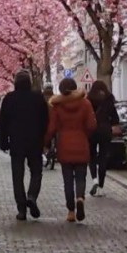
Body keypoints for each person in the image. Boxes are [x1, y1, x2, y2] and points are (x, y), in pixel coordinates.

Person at [0, 70, 49, 221]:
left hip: (16, 142)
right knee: (36, 172)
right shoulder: (38, 98)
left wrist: (3, 142)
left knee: (17, 175)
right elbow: (45, 120)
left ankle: (21, 208)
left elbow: (3, 122)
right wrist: (44, 139)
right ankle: (32, 195)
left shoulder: (9, 98)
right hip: (34, 141)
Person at [45, 77, 96, 222]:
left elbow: (52, 128)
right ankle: (80, 198)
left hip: (65, 145)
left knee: (68, 180)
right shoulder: (85, 103)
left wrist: (45, 142)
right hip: (81, 144)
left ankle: (71, 211)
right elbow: (92, 125)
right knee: (81, 177)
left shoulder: (57, 106)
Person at [86, 80, 120, 197]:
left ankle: (94, 179)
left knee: (92, 156)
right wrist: (113, 125)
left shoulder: (89, 98)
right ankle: (101, 186)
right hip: (105, 130)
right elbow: (115, 117)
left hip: (92, 130)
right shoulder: (109, 99)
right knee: (103, 157)